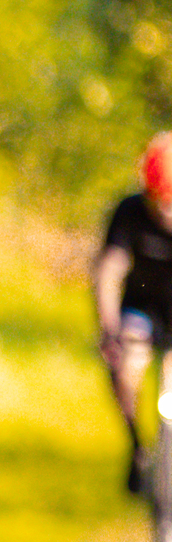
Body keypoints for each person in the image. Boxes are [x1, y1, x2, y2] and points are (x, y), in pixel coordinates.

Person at [93, 134, 172, 496]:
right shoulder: (130, 213)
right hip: (142, 309)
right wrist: (108, 329)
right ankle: (138, 446)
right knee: (127, 368)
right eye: (161, 202)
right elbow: (109, 272)